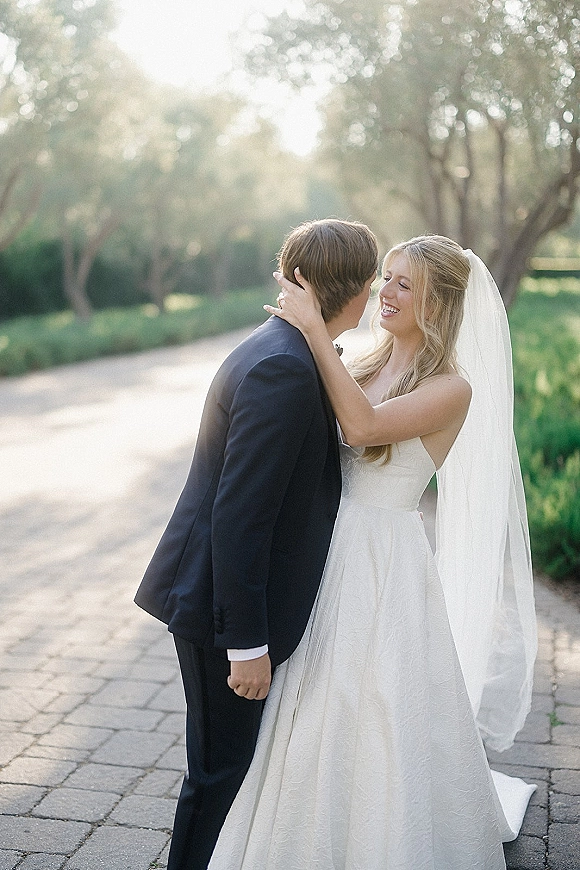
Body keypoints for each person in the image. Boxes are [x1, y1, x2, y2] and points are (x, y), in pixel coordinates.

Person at [207, 235, 537, 869]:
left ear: (437, 303)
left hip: (382, 557)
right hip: (325, 543)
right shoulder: (360, 360)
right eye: (385, 278)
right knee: (311, 696)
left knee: (377, 698)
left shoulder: (452, 387)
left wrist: (310, 329)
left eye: (403, 284)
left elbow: (361, 428)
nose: (384, 293)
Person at [134, 219, 379, 870]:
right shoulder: (284, 368)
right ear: (351, 290)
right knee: (217, 778)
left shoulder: (287, 352)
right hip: (221, 614)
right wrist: (247, 646)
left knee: (226, 774)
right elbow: (241, 517)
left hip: (221, 602)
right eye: (374, 280)